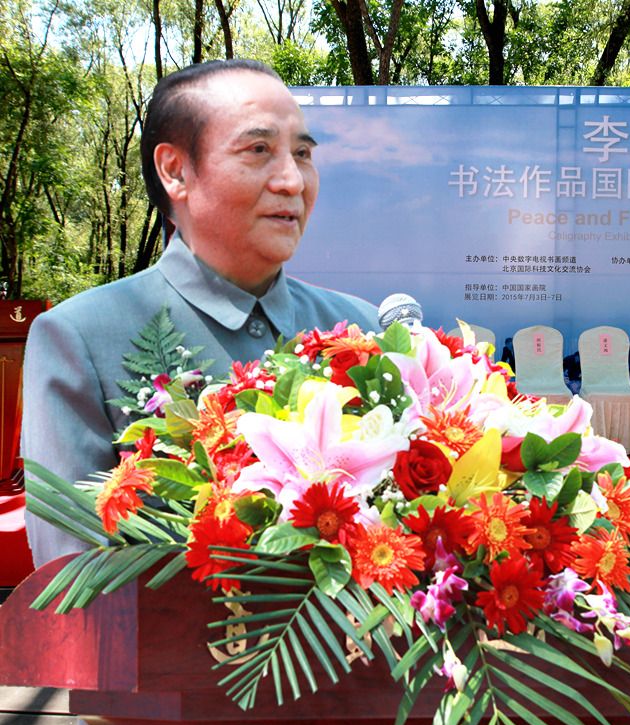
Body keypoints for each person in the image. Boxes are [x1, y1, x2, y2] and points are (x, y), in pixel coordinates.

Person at [22, 59, 378, 567]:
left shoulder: (363, 330)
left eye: (302, 154)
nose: (292, 181)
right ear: (175, 171)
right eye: (259, 150)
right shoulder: (79, 338)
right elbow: (73, 574)